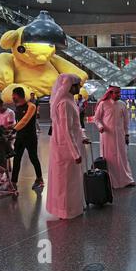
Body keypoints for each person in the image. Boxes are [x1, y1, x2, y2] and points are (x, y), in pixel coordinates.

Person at [47, 74, 90, 220]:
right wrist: (75, 153)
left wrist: (82, 137)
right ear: (69, 86)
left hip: (70, 145)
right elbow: (66, 130)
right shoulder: (64, 103)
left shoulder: (69, 100)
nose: (80, 87)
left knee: (72, 180)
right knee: (65, 181)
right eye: (77, 85)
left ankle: (73, 208)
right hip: (66, 149)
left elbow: (76, 127)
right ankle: (65, 211)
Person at [94, 86, 135, 189]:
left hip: (120, 136)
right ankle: (110, 181)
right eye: (116, 93)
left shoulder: (122, 104)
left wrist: (126, 134)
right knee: (109, 158)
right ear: (110, 93)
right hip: (107, 136)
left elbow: (126, 122)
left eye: (119, 93)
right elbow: (97, 118)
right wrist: (100, 126)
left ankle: (126, 180)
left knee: (122, 157)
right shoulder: (103, 104)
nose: (118, 95)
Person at [11, 87, 44, 191]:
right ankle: (13, 182)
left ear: (18, 95)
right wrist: (11, 128)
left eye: (13, 95)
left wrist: (14, 129)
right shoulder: (17, 107)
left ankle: (39, 179)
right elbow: (19, 121)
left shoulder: (31, 106)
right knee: (16, 159)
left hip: (30, 137)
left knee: (33, 158)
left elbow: (25, 120)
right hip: (20, 138)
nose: (12, 97)